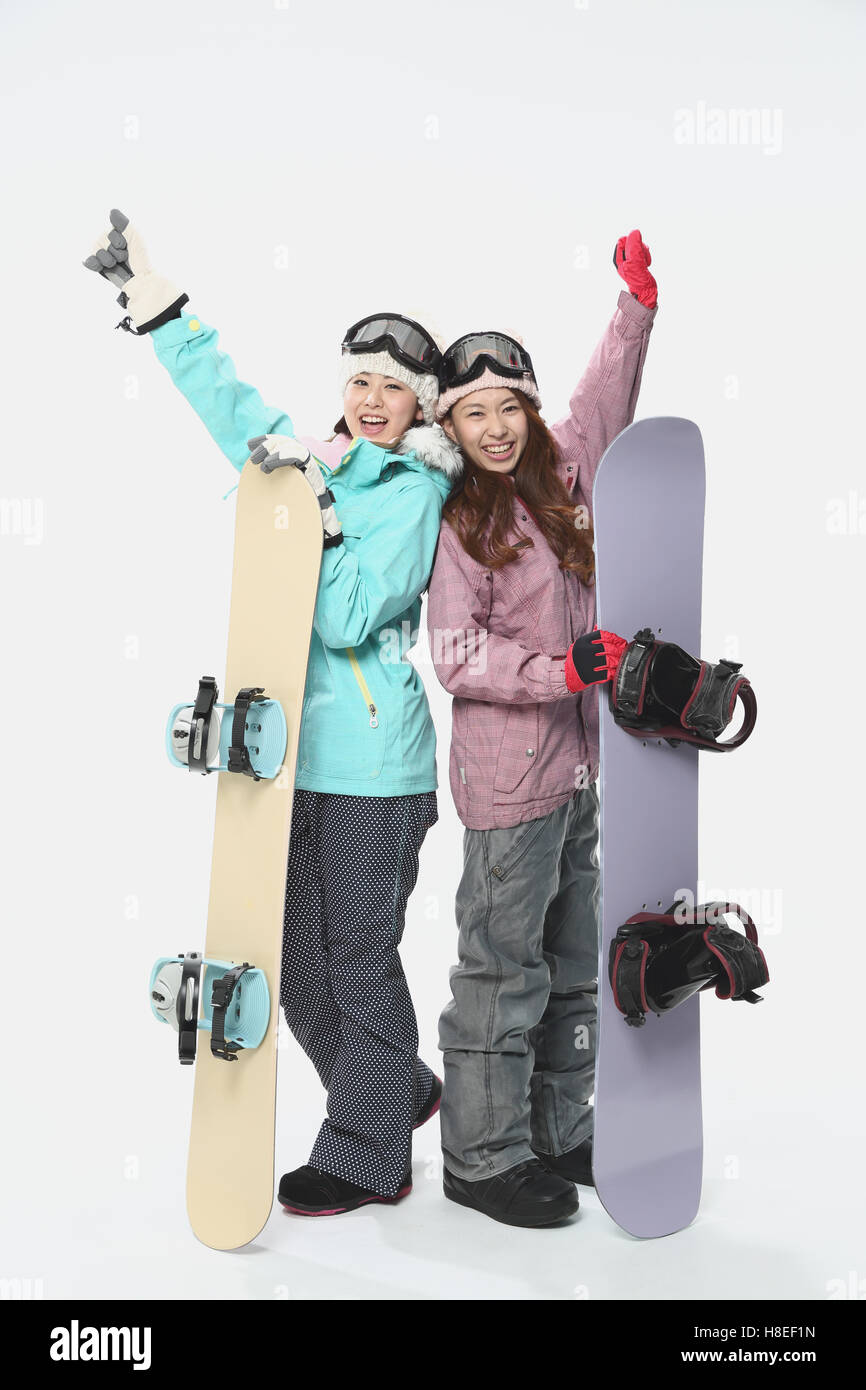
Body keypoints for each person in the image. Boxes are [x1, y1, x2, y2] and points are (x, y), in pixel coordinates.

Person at [84, 211, 463, 1215]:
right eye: (359, 381)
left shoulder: (407, 493)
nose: (371, 401)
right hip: (285, 753)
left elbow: (342, 611)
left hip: (375, 768)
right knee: (292, 966)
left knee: (356, 961)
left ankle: (367, 1152)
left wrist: (322, 517)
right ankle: (396, 1090)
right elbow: (230, 411)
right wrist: (160, 308)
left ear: (419, 406)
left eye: (394, 387)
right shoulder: (316, 462)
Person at [425, 229, 658, 1227]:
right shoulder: (459, 522)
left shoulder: (560, 481)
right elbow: (452, 653)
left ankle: (558, 1131)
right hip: (504, 784)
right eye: (469, 411)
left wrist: (632, 307)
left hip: (573, 778)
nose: (491, 426)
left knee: (569, 964)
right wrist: (556, 669)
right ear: (453, 423)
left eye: (503, 406)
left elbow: (603, 400)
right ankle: (482, 1154)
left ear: (523, 406)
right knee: (501, 970)